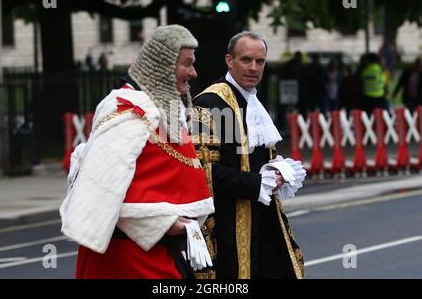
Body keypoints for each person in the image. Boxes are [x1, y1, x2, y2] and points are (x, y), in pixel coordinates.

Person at [59, 25, 215, 279]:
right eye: (187, 64)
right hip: (126, 258)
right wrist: (161, 224)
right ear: (164, 65)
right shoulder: (127, 110)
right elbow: (101, 189)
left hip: (157, 251)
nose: (194, 73)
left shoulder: (164, 108)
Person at [191, 31, 306, 279]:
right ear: (229, 61)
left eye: (260, 61)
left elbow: (255, 157)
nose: (254, 68)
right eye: (246, 60)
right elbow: (203, 170)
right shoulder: (211, 103)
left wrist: (278, 171)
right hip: (228, 223)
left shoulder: (253, 100)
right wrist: (257, 182)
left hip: (263, 218)